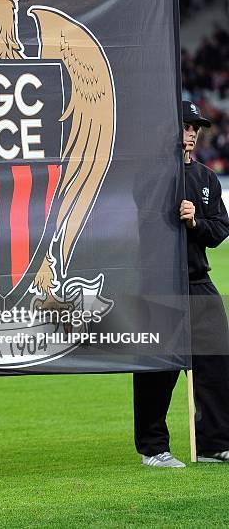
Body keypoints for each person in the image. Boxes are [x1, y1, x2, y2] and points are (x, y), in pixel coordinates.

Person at [133, 100, 229, 467]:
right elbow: (146, 219)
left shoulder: (205, 178)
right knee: (158, 367)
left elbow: (220, 229)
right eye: (184, 127)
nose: (190, 134)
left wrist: (195, 223)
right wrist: (175, 206)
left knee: (216, 361)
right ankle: (153, 449)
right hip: (161, 284)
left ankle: (213, 443)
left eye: (194, 128)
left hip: (198, 279)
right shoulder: (150, 174)